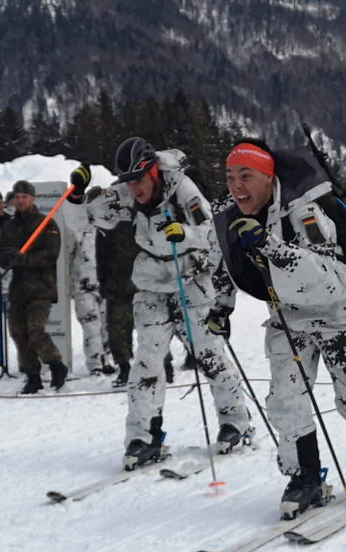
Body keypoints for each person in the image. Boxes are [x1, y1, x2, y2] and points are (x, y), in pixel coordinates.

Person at [211, 139, 346, 515]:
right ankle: (305, 476)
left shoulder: (305, 212)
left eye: (246, 175)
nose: (236, 185)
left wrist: (271, 247)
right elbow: (225, 263)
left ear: (268, 178)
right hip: (287, 314)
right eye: (231, 176)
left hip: (336, 313)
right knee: (285, 400)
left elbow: (333, 279)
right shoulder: (232, 213)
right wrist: (221, 306)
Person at [79, 138, 250, 466]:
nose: (134, 189)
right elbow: (93, 215)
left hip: (190, 281)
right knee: (146, 362)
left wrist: (184, 233)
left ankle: (235, 422)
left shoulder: (181, 187)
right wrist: (76, 196)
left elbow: (210, 232)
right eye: (128, 182)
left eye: (139, 181)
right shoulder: (127, 190)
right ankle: (144, 437)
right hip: (152, 284)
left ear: (153, 171)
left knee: (209, 356)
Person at [0, 179, 67, 393]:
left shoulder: (46, 224)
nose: (20, 200)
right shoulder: (9, 226)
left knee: (35, 330)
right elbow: (1, 254)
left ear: (33, 199)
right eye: (17, 197)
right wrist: (10, 258)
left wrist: (24, 258)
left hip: (41, 288)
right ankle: (32, 375)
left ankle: (56, 364)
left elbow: (51, 254)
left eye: (24, 197)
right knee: (18, 332)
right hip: (19, 289)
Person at [55, 182, 112, 376]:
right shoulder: (77, 228)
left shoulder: (109, 225)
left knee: (107, 324)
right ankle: (95, 362)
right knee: (90, 325)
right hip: (84, 284)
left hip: (105, 282)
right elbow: (67, 256)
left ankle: (108, 358)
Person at [96, 201, 138, 387]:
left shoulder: (140, 219)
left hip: (141, 284)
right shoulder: (106, 226)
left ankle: (164, 364)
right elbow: (101, 257)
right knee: (115, 330)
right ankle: (124, 367)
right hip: (116, 286)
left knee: (151, 329)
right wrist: (103, 282)